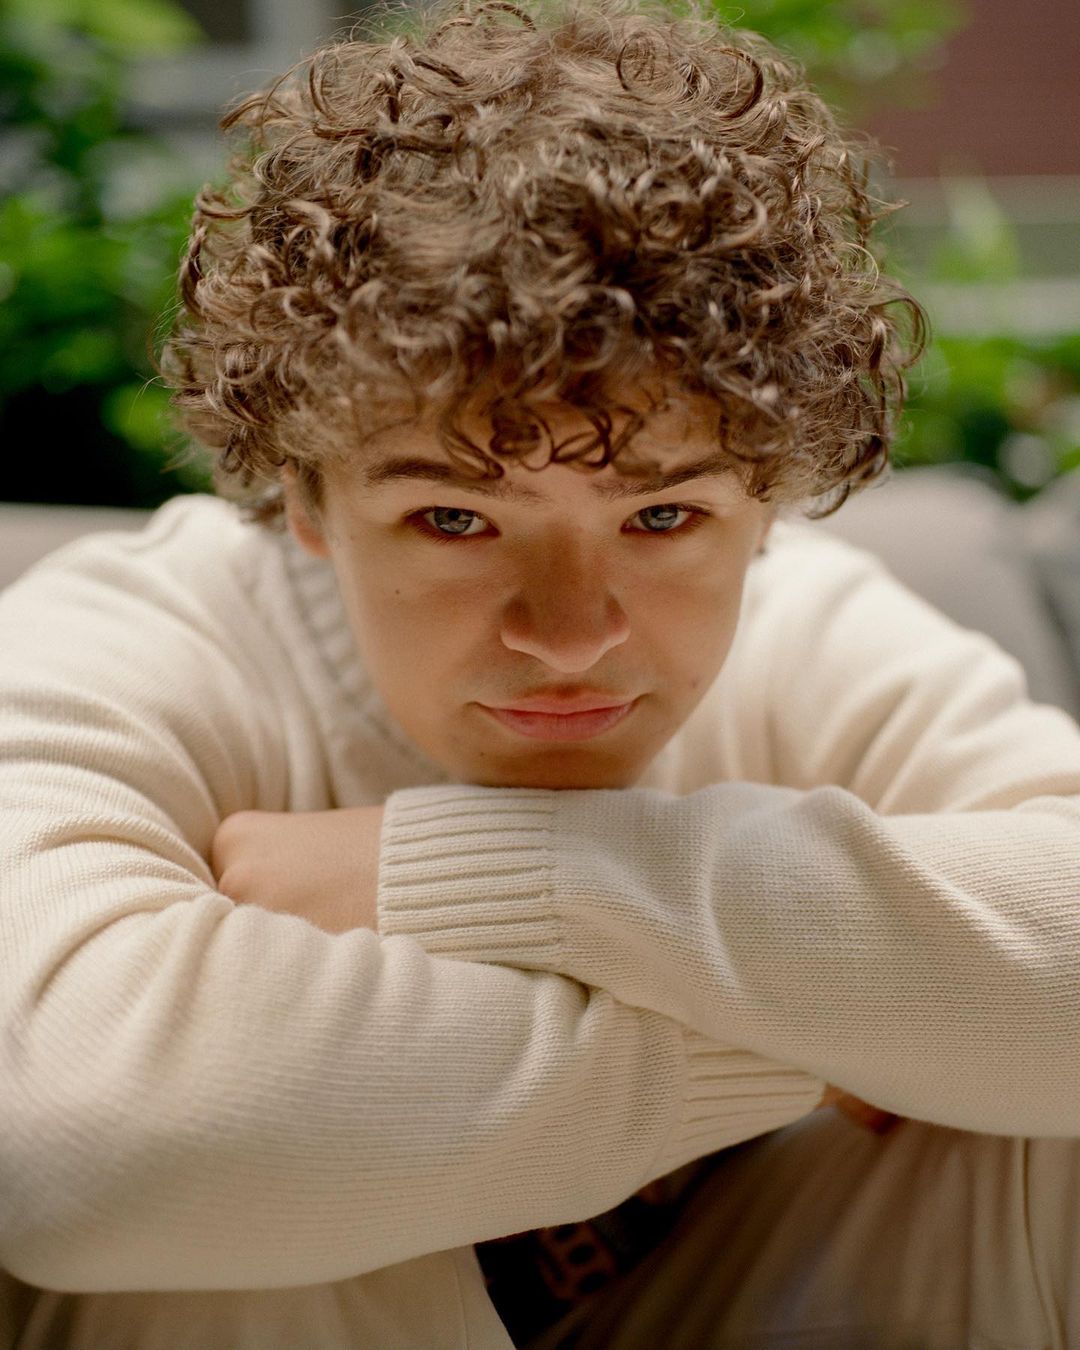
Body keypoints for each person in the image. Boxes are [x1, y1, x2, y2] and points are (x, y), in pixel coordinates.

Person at [2, 0, 1079, 1346]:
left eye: (662, 516)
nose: (569, 634)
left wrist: (492, 877)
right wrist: (860, 1027)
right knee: (206, 1206)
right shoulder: (128, 643)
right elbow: (74, 1150)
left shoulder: (812, 627)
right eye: (454, 519)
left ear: (768, 501)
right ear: (306, 500)